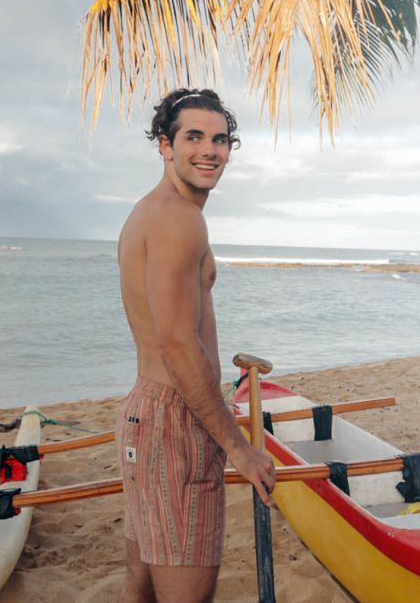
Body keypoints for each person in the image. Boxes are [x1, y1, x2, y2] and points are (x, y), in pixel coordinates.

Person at [115, 88, 277, 603]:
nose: (210, 150)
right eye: (194, 137)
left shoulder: (153, 212)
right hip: (174, 420)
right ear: (165, 145)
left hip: (148, 410)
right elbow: (178, 344)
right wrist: (239, 448)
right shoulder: (179, 219)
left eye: (220, 139)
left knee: (141, 584)